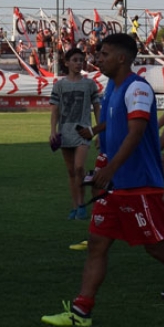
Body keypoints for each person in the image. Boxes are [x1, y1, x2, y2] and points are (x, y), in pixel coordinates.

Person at [41, 33, 164, 327]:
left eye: (104, 54)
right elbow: (115, 123)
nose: (98, 59)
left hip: (139, 184)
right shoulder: (112, 89)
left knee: (158, 246)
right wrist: (99, 144)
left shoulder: (137, 88)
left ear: (122, 58)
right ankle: (82, 312)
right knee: (97, 243)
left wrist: (111, 169)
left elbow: (135, 133)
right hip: (116, 185)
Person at [50, 47, 101, 219]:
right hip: (65, 131)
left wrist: (98, 130)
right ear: (67, 63)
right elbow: (55, 110)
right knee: (71, 172)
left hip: (83, 131)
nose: (79, 63)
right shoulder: (60, 85)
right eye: (75, 60)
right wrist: (53, 131)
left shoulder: (89, 84)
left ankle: (81, 203)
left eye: (81, 60)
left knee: (79, 168)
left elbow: (96, 108)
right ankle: (76, 205)